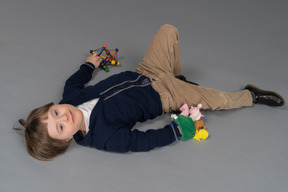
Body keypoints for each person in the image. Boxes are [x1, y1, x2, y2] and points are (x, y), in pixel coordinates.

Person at [18, 24, 285, 161]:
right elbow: (138, 142)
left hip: (146, 71)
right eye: (61, 127)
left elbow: (73, 82)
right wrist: (175, 132)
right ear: (66, 140)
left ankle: (180, 78)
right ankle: (252, 95)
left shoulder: (70, 100)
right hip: (165, 96)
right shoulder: (102, 137)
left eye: (55, 113)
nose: (64, 115)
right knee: (219, 100)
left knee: (168, 31)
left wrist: (90, 64)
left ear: (54, 105)